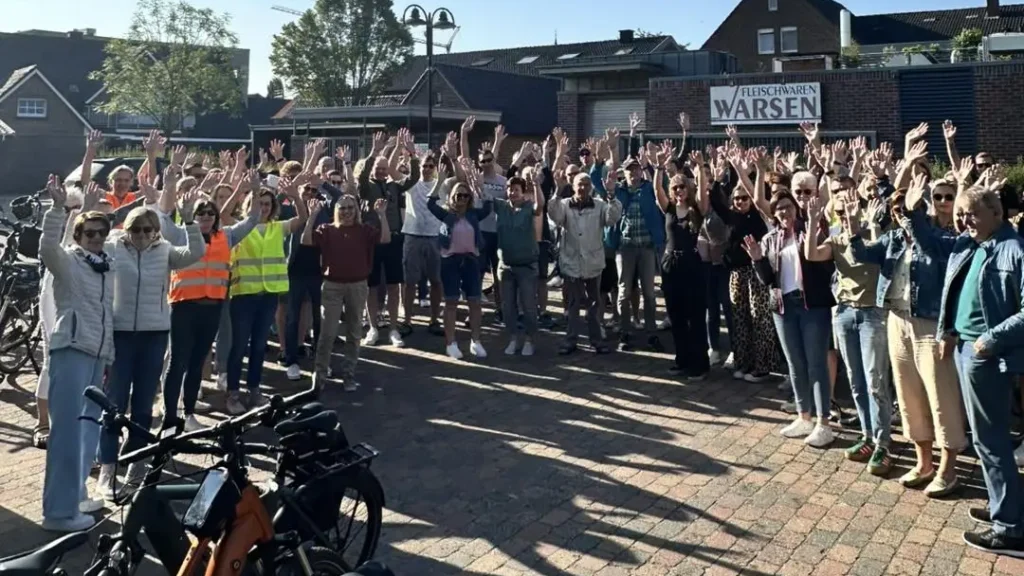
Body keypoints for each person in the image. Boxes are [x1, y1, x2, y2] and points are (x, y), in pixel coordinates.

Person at [848, 178, 966, 497]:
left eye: (908, 209)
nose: (902, 214)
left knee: (941, 397)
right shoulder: (894, 239)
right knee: (908, 395)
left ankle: (948, 469)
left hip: (930, 325)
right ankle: (923, 462)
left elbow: (928, 247)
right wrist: (853, 229)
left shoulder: (943, 237)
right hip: (897, 320)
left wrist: (913, 216)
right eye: (898, 210)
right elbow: (862, 255)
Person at [95, 166, 205, 498]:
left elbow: (196, 253)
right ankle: (107, 467)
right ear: (126, 229)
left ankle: (136, 463)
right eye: (136, 229)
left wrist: (189, 221)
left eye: (148, 229)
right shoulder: (113, 247)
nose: (142, 235)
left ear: (156, 232)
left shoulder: (164, 251)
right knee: (114, 403)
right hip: (121, 334)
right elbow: (81, 243)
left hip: (154, 334)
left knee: (143, 404)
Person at [935, 184, 1024, 556]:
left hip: (986, 354)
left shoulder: (1014, 249)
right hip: (967, 349)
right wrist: (948, 331)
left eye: (971, 213)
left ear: (996, 213)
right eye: (961, 214)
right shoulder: (974, 245)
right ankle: (1005, 507)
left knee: (992, 440)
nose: (964, 221)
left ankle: (1010, 530)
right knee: (985, 438)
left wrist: (990, 338)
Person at [38, 177, 114, 532]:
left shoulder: (106, 265)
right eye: (90, 233)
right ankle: (58, 513)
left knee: (86, 429)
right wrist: (58, 210)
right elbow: (48, 248)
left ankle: (75, 497)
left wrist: (108, 354)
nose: (97, 237)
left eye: (102, 232)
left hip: (97, 353)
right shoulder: (68, 261)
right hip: (71, 349)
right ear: (79, 236)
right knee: (66, 432)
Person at [160, 170, 260, 431]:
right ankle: (170, 417)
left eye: (209, 213)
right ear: (192, 215)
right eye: (200, 213)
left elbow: (253, 219)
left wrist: (255, 190)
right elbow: (162, 219)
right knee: (177, 363)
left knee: (196, 364)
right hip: (183, 307)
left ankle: (189, 413)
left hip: (212, 308)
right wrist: (169, 187)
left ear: (216, 217)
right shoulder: (180, 234)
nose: (205, 217)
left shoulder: (227, 236)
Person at [805, 182, 893, 476]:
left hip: (872, 315)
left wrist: (858, 223)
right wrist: (812, 220)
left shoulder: (872, 235)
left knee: (875, 381)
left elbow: (874, 253)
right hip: (844, 313)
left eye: (850, 210)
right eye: (840, 212)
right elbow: (812, 254)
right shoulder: (836, 239)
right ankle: (867, 436)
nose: (845, 216)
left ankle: (883, 443)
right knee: (856, 380)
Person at [744, 190, 836, 448]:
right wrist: (757, 259)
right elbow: (766, 279)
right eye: (779, 208)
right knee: (795, 364)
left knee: (816, 363)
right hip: (783, 307)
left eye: (788, 206)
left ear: (796, 208)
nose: (784, 211)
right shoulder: (770, 239)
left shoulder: (811, 230)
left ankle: (824, 422)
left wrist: (814, 227)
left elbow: (826, 266)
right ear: (774, 214)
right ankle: (804, 416)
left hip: (812, 305)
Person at [225, 175, 309, 415]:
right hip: (244, 295)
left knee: (259, 346)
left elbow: (302, 219)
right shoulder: (239, 228)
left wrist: (295, 197)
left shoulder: (277, 227)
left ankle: (254, 391)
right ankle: (233, 394)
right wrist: (248, 190)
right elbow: (223, 215)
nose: (262, 208)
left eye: (266, 204)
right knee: (238, 346)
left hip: (268, 295)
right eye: (258, 203)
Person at [303, 194, 389, 391]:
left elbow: (385, 238)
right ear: (336, 211)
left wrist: (382, 215)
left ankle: (348, 374)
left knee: (354, 332)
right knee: (327, 333)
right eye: (342, 208)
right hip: (332, 285)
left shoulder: (365, 230)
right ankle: (320, 375)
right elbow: (305, 240)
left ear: (356, 210)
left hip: (358, 285)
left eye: (350, 208)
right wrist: (312, 216)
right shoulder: (327, 229)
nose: (347, 212)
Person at [356, 130, 420, 348]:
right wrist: (373, 153)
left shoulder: (394, 185)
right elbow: (362, 176)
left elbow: (413, 179)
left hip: (393, 239)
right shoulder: (366, 187)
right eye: (378, 168)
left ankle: (393, 328)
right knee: (372, 286)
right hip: (372, 241)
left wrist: (412, 155)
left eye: (384, 168)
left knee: (393, 285)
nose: (382, 171)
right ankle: (373, 327)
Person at [551, 169, 622, 355]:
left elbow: (612, 218)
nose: (582, 188)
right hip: (571, 261)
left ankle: (596, 340)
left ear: (591, 187)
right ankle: (570, 340)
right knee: (573, 304)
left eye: (586, 184)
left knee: (594, 304)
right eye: (579, 184)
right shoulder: (565, 204)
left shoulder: (600, 205)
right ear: (573, 186)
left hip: (593, 262)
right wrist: (557, 191)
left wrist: (611, 194)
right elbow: (555, 216)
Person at [653, 152, 711, 379]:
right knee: (676, 315)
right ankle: (682, 360)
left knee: (695, 316)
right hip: (670, 264)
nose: (679, 190)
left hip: (692, 264)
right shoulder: (668, 209)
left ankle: (700, 364)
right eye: (675, 187)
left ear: (688, 189)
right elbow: (657, 191)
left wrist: (701, 169)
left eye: (682, 187)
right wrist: (659, 168)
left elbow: (704, 196)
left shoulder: (697, 209)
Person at [427, 163, 491, 359]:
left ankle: (476, 341)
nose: (462, 198)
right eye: (458, 195)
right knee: (451, 302)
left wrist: (480, 187)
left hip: (471, 260)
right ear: (452, 197)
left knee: (475, 302)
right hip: (450, 262)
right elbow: (430, 204)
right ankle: (451, 343)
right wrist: (439, 181)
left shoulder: (473, 215)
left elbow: (488, 207)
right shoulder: (446, 214)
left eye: (465, 196)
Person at [609, 157, 665, 352]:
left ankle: (651, 333)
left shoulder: (649, 188)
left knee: (649, 292)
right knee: (624, 291)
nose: (633, 173)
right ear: (623, 173)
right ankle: (625, 332)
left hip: (647, 247)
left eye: (636, 169)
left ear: (641, 171)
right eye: (629, 170)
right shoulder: (619, 190)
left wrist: (655, 166)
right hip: (625, 248)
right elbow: (603, 190)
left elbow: (661, 186)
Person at [493, 174, 543, 356]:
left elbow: (540, 207)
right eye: (510, 189)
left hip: (526, 266)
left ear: (522, 192)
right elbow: (480, 196)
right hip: (506, 266)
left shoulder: (528, 207)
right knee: (508, 307)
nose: (512, 192)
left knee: (528, 306)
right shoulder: (501, 206)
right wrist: (473, 180)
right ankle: (513, 338)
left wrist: (536, 185)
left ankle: (530, 340)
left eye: (516, 190)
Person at [400, 151, 447, 336]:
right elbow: (394, 174)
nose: (427, 169)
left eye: (430, 166)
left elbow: (461, 179)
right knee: (409, 282)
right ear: (419, 167)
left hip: (435, 237)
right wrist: (405, 150)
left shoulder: (443, 184)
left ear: (435, 168)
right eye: (424, 166)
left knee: (436, 280)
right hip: (413, 236)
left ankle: (434, 320)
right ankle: (407, 320)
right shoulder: (411, 184)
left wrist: (452, 157)